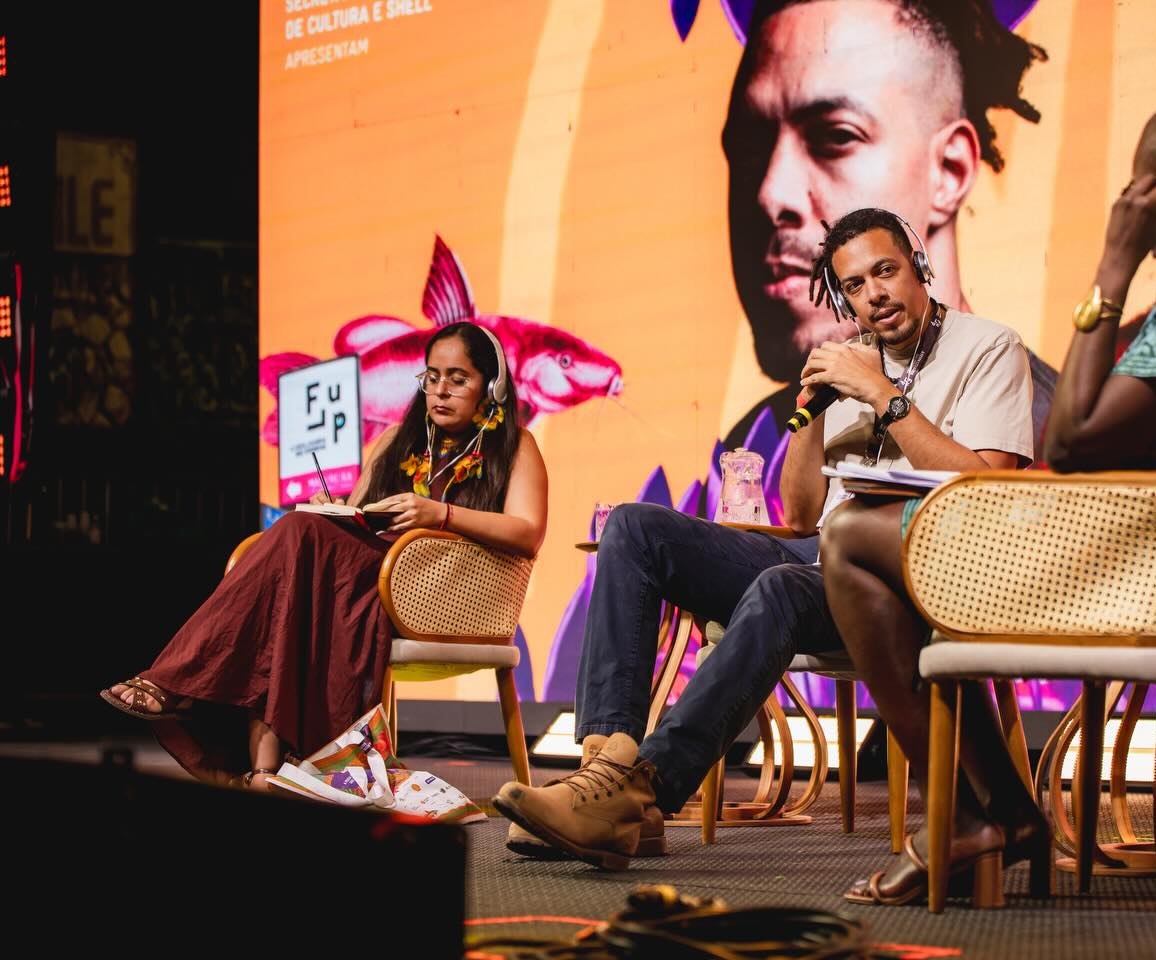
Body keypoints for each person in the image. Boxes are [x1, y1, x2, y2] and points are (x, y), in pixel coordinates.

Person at [820, 90, 1156, 906]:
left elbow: (1074, 442)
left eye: (1136, 189)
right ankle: (993, 811)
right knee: (875, 534)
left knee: (851, 541)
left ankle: (991, 813)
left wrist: (1112, 267)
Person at [494, 206, 1033, 870]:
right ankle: (599, 779)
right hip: (824, 550)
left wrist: (887, 397)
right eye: (856, 286)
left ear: (919, 267)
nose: (874, 295)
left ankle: (644, 793)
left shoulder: (988, 346)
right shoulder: (855, 362)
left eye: (886, 272)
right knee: (636, 528)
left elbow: (989, 486)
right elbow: (802, 515)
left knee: (780, 587)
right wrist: (810, 412)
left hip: (915, 567)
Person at [100, 324, 548, 790]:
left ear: (492, 385)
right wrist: (334, 511)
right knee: (297, 555)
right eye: (432, 377)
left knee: (296, 542)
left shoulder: (515, 445)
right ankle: (266, 769)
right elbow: (357, 514)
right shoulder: (398, 440)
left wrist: (440, 514)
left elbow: (528, 532)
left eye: (458, 379)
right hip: (369, 583)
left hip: (445, 593)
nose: (440, 390)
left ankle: (183, 686)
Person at [720, 0, 1051, 448]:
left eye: (836, 136)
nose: (769, 194)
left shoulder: (1042, 423)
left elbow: (974, 504)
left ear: (949, 171)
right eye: (748, 147)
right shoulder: (763, 433)